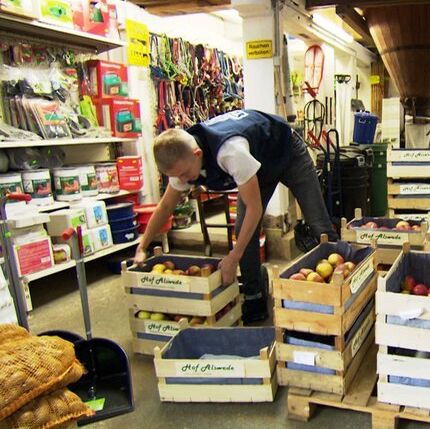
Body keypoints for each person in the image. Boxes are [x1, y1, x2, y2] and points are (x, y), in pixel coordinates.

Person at [134, 109, 337, 324]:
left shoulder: (230, 153)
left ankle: (339, 286)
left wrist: (233, 257)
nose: (182, 181)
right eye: (176, 177)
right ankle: (254, 294)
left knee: (318, 223)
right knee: (244, 231)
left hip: (287, 152)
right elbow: (165, 206)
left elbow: (255, 209)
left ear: (197, 154)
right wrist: (142, 246)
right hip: (256, 164)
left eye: (184, 174)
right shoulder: (182, 163)